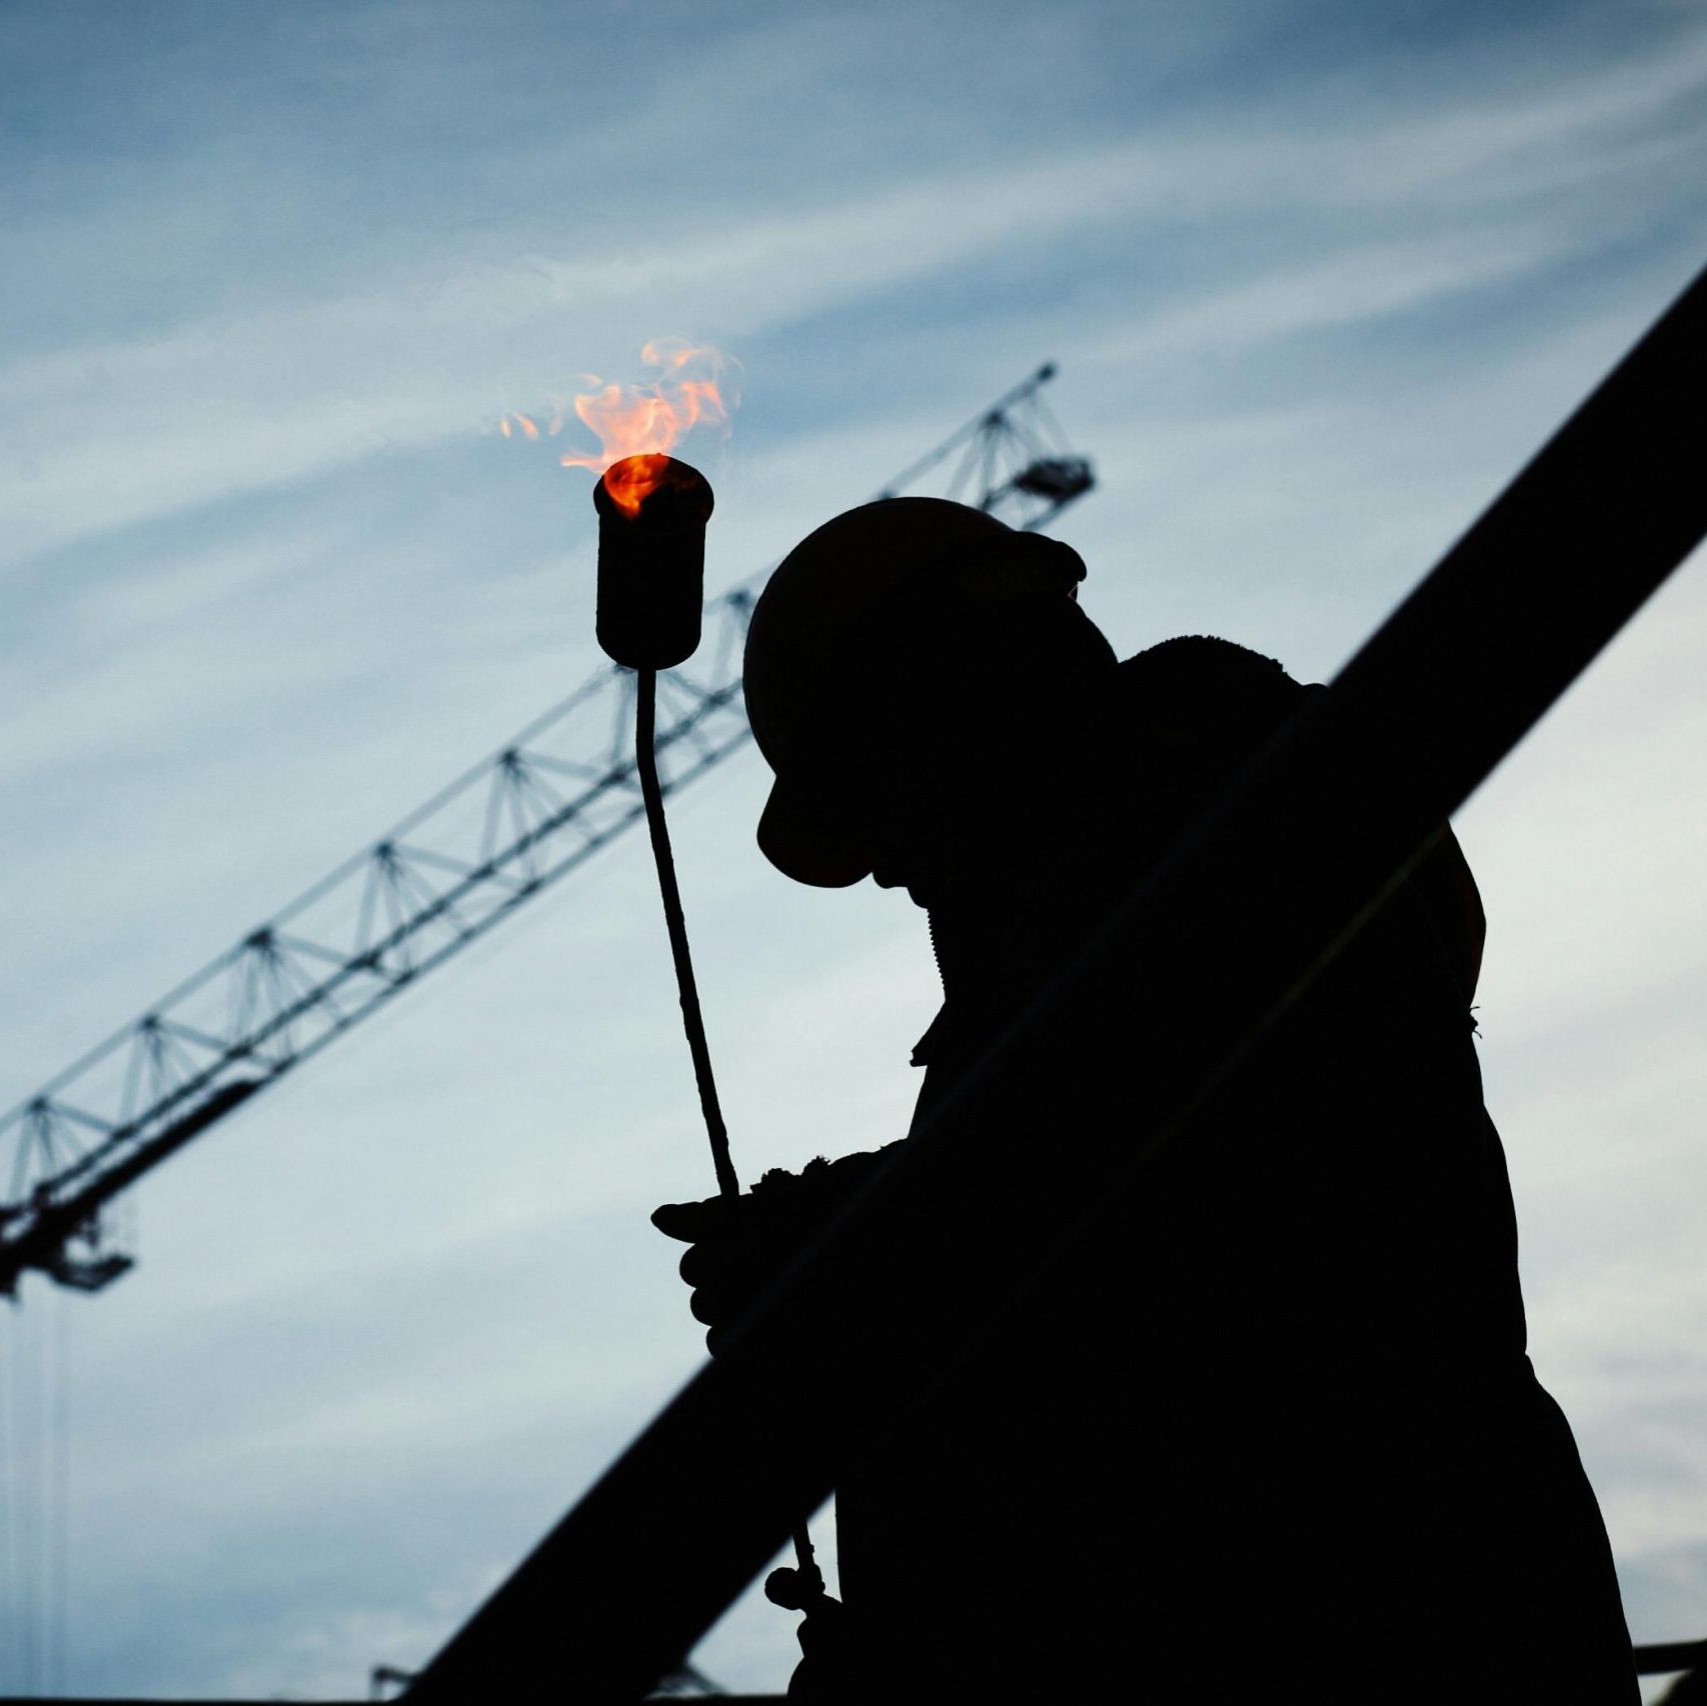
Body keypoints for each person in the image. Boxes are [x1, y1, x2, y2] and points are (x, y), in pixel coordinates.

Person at [653, 498, 1632, 1700]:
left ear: (955, 695)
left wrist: (846, 1253)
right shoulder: (1145, 912)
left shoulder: (1244, 837)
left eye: (883, 795)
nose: (891, 868)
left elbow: (1173, 1248)